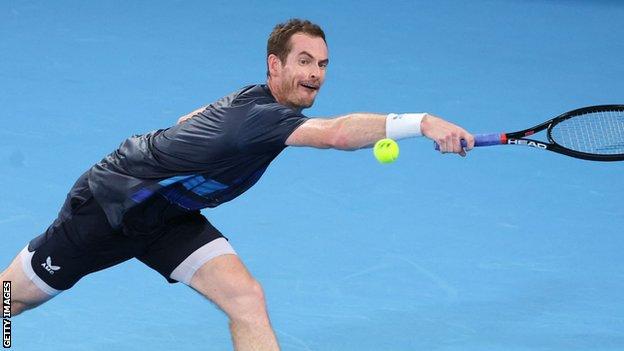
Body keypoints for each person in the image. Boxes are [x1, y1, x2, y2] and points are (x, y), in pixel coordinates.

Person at [0, 18, 474, 350]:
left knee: (246, 299)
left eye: (323, 64)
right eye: (304, 61)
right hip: (111, 207)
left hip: (167, 214)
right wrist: (424, 122)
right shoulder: (262, 119)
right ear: (275, 65)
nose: (314, 74)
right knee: (10, 299)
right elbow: (336, 134)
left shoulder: (256, 101)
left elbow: (190, 118)